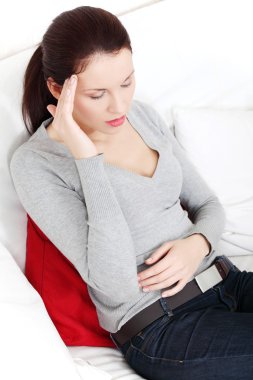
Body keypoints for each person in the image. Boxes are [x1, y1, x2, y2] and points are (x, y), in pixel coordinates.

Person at [10, 6, 253, 380]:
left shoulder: (142, 116)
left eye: (126, 82)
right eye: (97, 94)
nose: (119, 105)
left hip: (227, 281)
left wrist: (198, 243)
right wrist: (87, 159)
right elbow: (116, 286)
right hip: (163, 326)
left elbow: (208, 205)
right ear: (59, 88)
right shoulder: (37, 164)